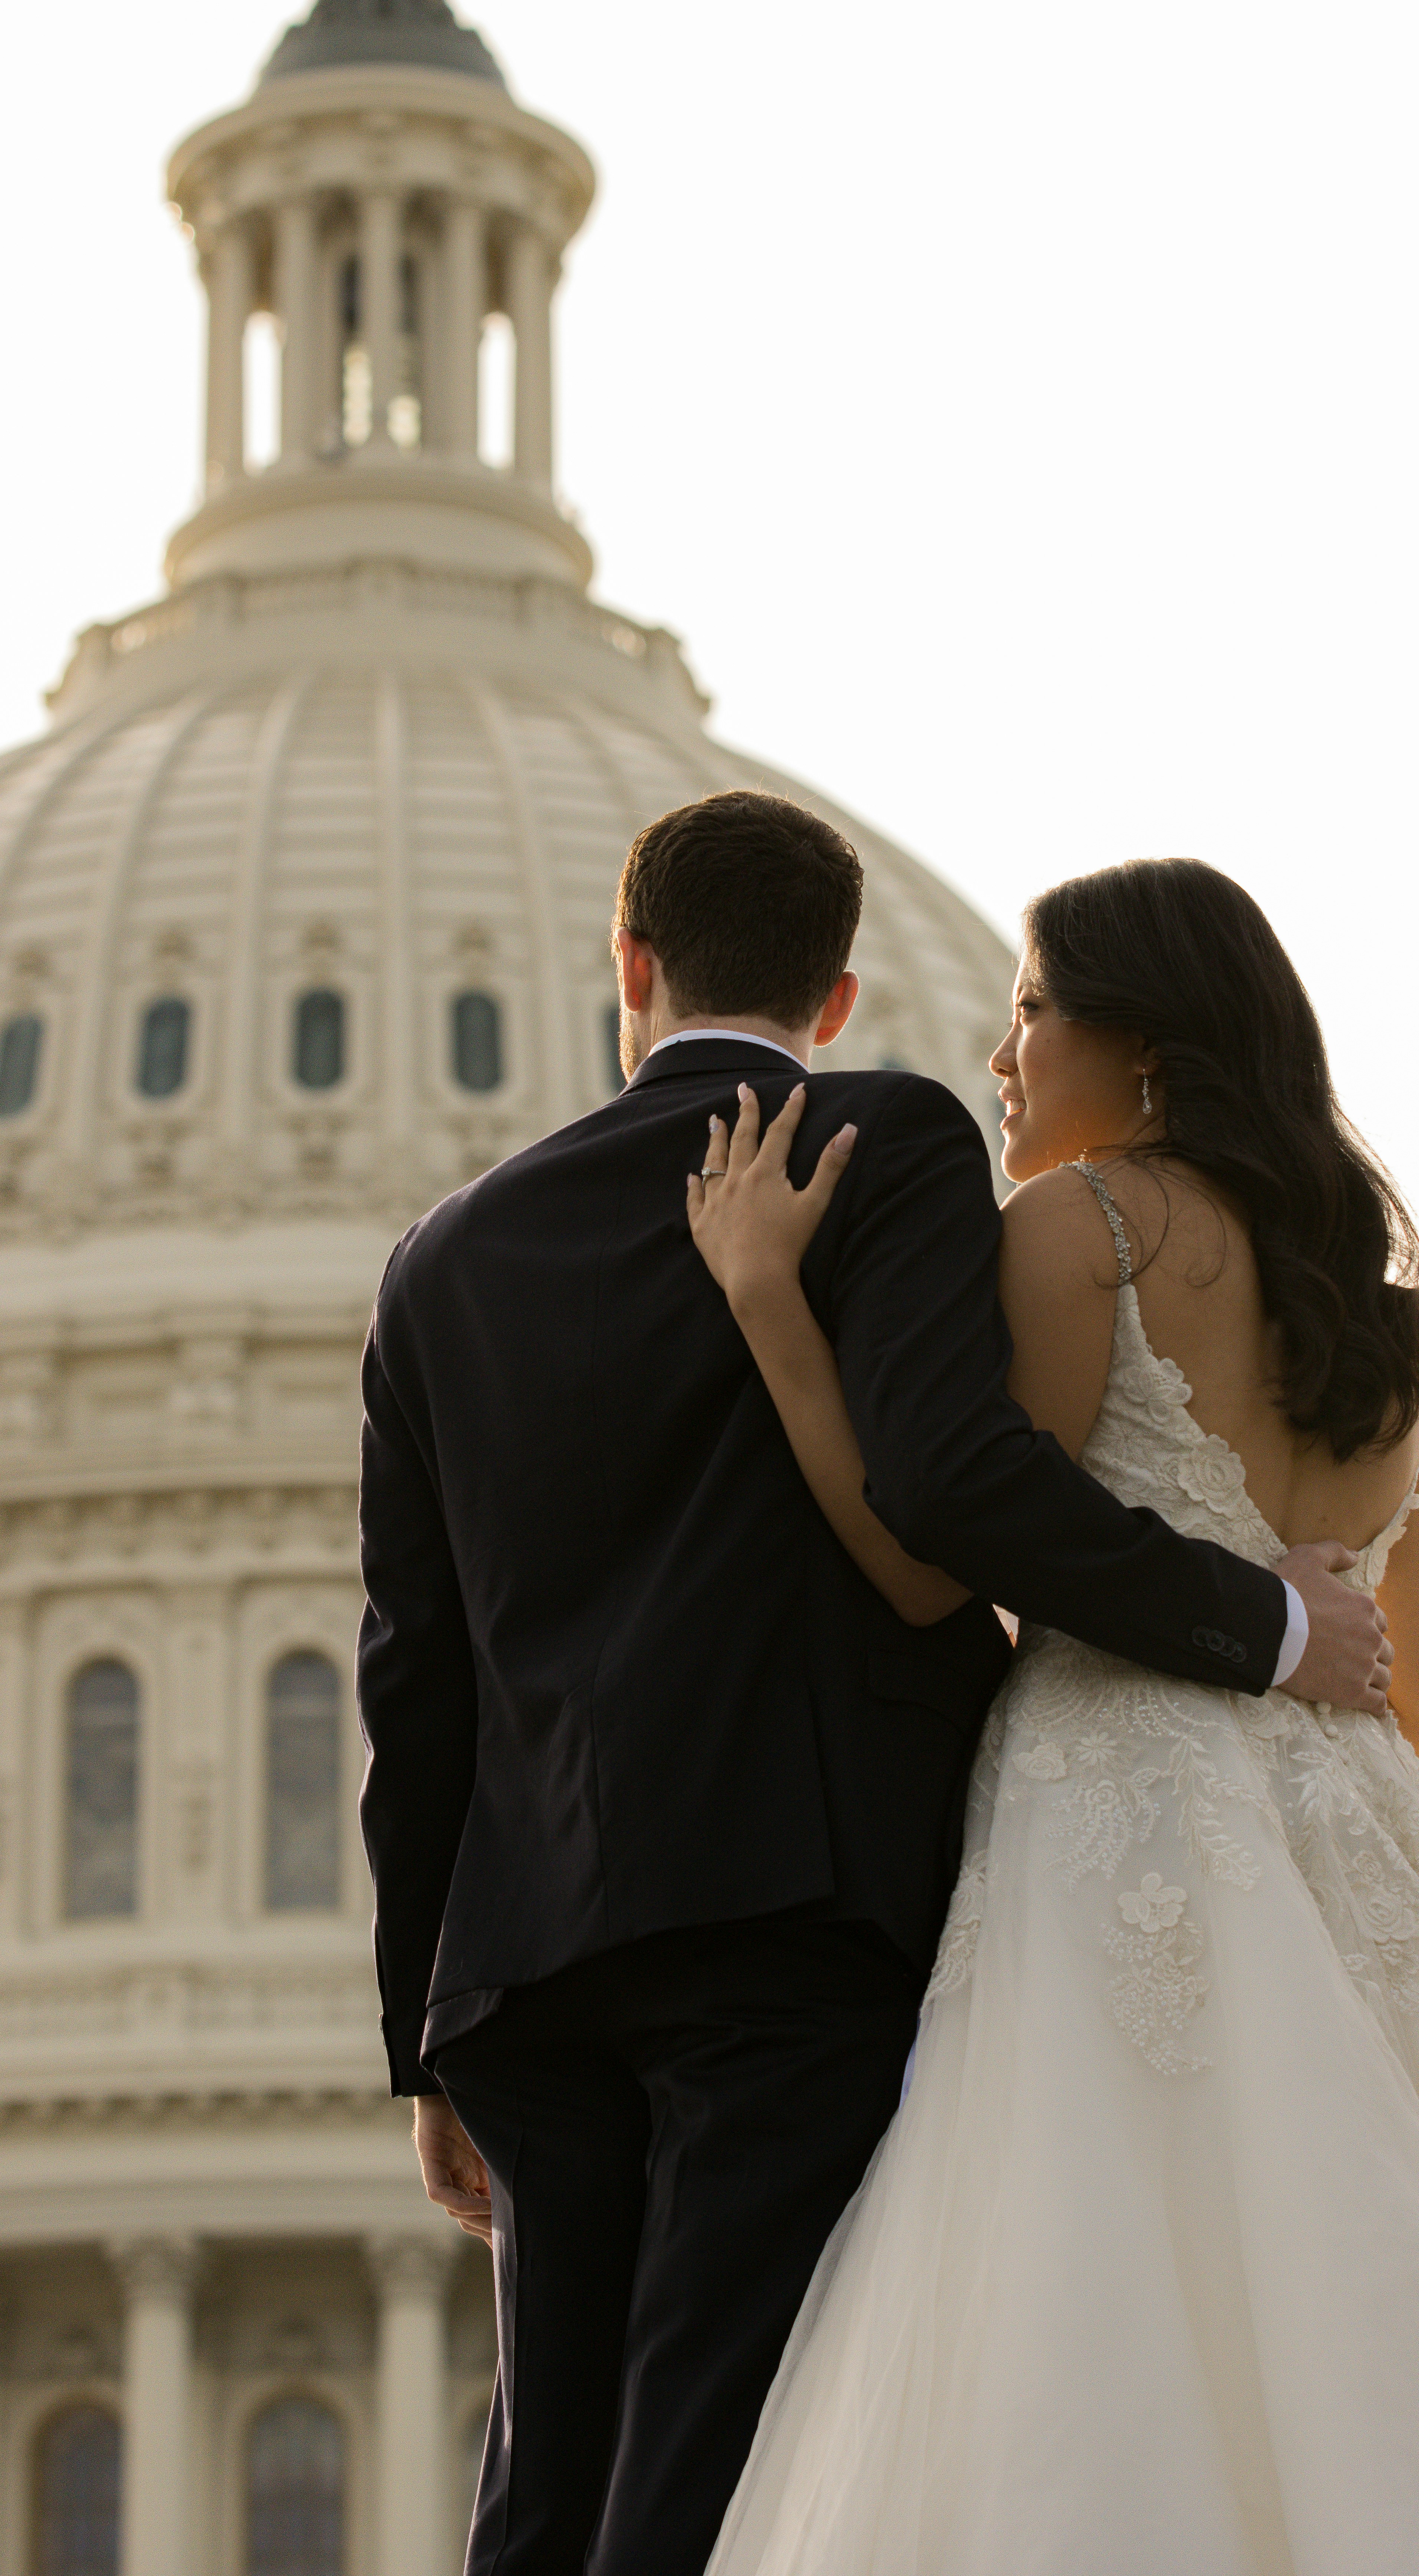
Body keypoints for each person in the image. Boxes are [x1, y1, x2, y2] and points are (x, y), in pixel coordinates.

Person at [355, 799, 1388, 2576]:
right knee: (716, 2453)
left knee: (549, 2486)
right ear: (838, 994)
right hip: (794, 1900)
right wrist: (1274, 1627)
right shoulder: (886, 1139)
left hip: (527, 1947)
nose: (995, 1050)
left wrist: (423, 2031)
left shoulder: (442, 1257)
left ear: (630, 960)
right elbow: (953, 1495)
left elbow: (412, 1671)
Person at [691, 856, 1419, 2576]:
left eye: (1028, 1008)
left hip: (1115, 1815)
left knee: (1085, 2290)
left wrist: (772, 1312)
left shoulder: (1081, 1228)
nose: (1000, 1054)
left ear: (1142, 1049)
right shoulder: (1390, 1323)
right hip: (1356, 1822)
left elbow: (937, 1553)